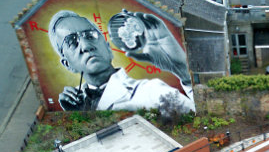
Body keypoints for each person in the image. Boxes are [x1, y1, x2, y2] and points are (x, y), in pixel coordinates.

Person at [48, 10, 194, 113]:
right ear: (68, 65)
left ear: (108, 48)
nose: (86, 46)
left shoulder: (151, 92)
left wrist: (183, 71)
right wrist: (78, 116)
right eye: (71, 42)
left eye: (90, 35)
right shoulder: (78, 107)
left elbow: (203, 126)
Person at [107, 9, 192, 87]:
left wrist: (182, 69)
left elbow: (201, 100)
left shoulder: (152, 89)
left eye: (93, 36)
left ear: (107, 47)